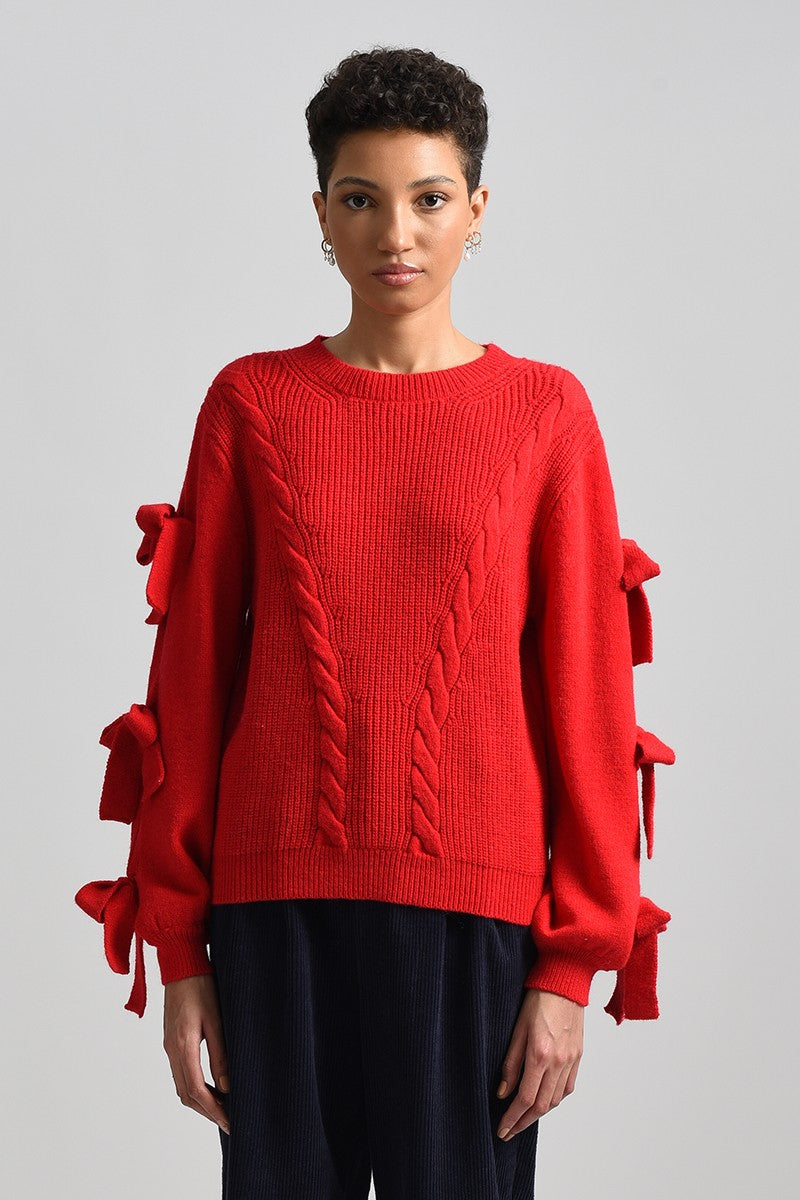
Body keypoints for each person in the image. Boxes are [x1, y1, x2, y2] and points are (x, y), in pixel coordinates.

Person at [75, 46, 675, 1199]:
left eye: (427, 199)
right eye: (360, 200)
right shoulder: (251, 404)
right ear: (320, 214)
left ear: (476, 209)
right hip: (271, 914)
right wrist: (181, 949)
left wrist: (567, 968)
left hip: (474, 919)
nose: (395, 234)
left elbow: (589, 699)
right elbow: (189, 686)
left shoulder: (544, 415)